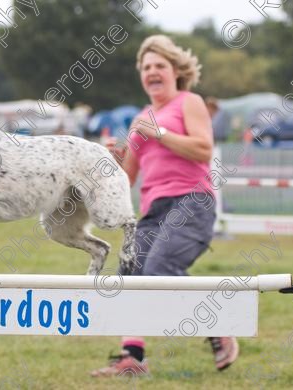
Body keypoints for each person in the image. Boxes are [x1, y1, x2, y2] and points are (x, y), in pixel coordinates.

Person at [90, 35, 238, 378]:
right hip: (154, 209)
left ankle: (219, 326)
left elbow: (203, 149)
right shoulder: (141, 118)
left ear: (176, 71)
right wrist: (114, 159)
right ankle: (132, 357)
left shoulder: (189, 102)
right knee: (129, 272)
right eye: (146, 67)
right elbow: (128, 177)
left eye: (160, 66)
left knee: (159, 269)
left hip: (192, 203)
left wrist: (158, 133)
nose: (152, 72)